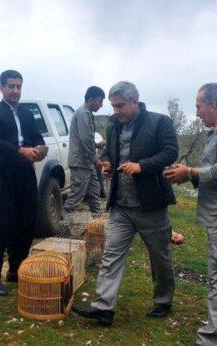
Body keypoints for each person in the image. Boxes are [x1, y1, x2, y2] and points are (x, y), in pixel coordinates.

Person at [72, 81, 178, 326]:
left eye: (120, 106)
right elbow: (109, 153)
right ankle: (103, 308)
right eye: (113, 106)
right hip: (120, 204)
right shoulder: (114, 125)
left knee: (160, 256)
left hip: (150, 205)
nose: (116, 111)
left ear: (135, 101)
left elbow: (170, 152)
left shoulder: (160, 122)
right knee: (111, 255)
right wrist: (107, 163)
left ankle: (163, 301)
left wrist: (141, 166)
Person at [164, 83, 217, 346]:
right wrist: (188, 175)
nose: (197, 113)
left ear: (212, 105)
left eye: (199, 106)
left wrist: (190, 172)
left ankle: (212, 339)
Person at [0, 69, 45, 296]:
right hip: (0, 172)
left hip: (24, 172)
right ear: (1, 88)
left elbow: (37, 137)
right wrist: (21, 151)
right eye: (11, 86)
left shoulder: (27, 113)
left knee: (25, 221)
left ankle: (17, 270)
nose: (15, 91)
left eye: (18, 86)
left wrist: (39, 150)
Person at [63, 86, 105, 219]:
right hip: (81, 162)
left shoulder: (86, 113)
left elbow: (86, 139)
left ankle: (98, 224)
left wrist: (97, 145)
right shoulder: (83, 114)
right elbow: (85, 139)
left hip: (86, 162)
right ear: (91, 99)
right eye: (100, 101)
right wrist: (96, 159)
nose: (101, 105)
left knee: (94, 192)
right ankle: (63, 227)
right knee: (76, 196)